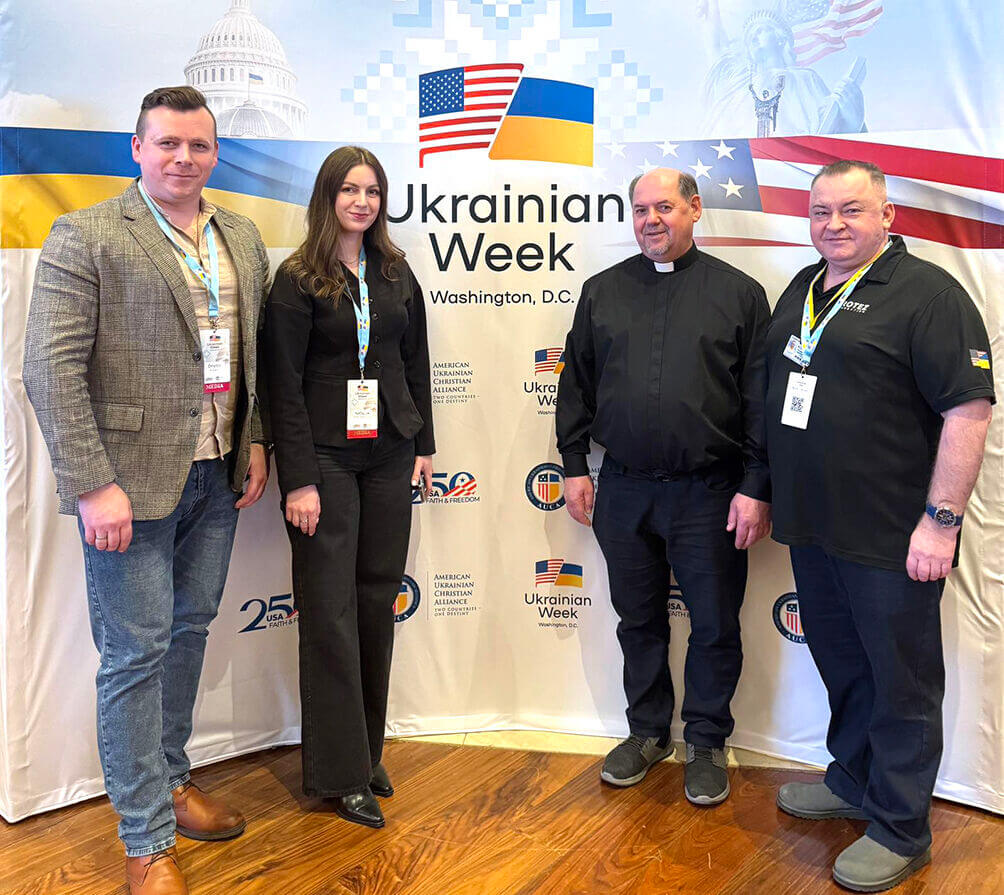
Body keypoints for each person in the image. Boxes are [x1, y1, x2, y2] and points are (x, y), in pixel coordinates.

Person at [22, 86, 270, 895]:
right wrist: (93, 483)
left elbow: (255, 352)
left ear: (216, 153)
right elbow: (50, 368)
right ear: (137, 148)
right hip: (126, 485)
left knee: (188, 632)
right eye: (167, 144)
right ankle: (145, 839)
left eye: (198, 145)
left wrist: (255, 438)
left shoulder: (241, 236)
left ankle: (170, 778)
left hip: (217, 472)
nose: (183, 158)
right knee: (134, 655)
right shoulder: (87, 233)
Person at [765, 160, 994, 892]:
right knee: (845, 665)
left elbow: (968, 410)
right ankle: (855, 781)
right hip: (813, 526)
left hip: (894, 535)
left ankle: (901, 826)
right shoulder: (803, 288)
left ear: (887, 215)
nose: (833, 224)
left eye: (852, 209)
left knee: (901, 681)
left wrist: (940, 522)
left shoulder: (930, 295)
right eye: (821, 211)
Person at [556, 167, 771, 806]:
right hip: (623, 490)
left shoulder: (740, 294)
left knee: (714, 624)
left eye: (666, 207)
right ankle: (648, 732)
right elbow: (575, 384)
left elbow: (759, 402)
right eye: (641, 209)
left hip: (710, 492)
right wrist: (573, 464)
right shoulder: (601, 291)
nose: (652, 219)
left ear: (695, 209)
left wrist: (757, 483)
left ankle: (705, 742)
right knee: (638, 619)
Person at [263, 146, 434, 830]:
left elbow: (415, 361)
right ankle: (338, 773)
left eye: (373, 191)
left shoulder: (394, 270)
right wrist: (299, 479)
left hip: (390, 451)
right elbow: (282, 385)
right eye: (349, 190)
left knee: (373, 601)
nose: (362, 202)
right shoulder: (297, 278)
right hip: (325, 461)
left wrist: (424, 445)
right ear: (327, 197)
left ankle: (366, 752)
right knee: (330, 610)